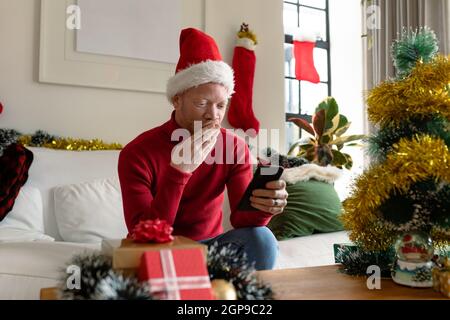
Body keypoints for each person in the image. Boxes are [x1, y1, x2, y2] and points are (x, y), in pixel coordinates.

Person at [118, 28, 288, 270]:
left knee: (263, 239)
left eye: (221, 105)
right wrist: (179, 171)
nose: (213, 115)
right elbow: (143, 236)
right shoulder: (137, 153)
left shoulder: (234, 147)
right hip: (161, 252)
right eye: (202, 103)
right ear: (177, 99)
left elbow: (241, 220)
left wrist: (266, 206)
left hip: (212, 252)